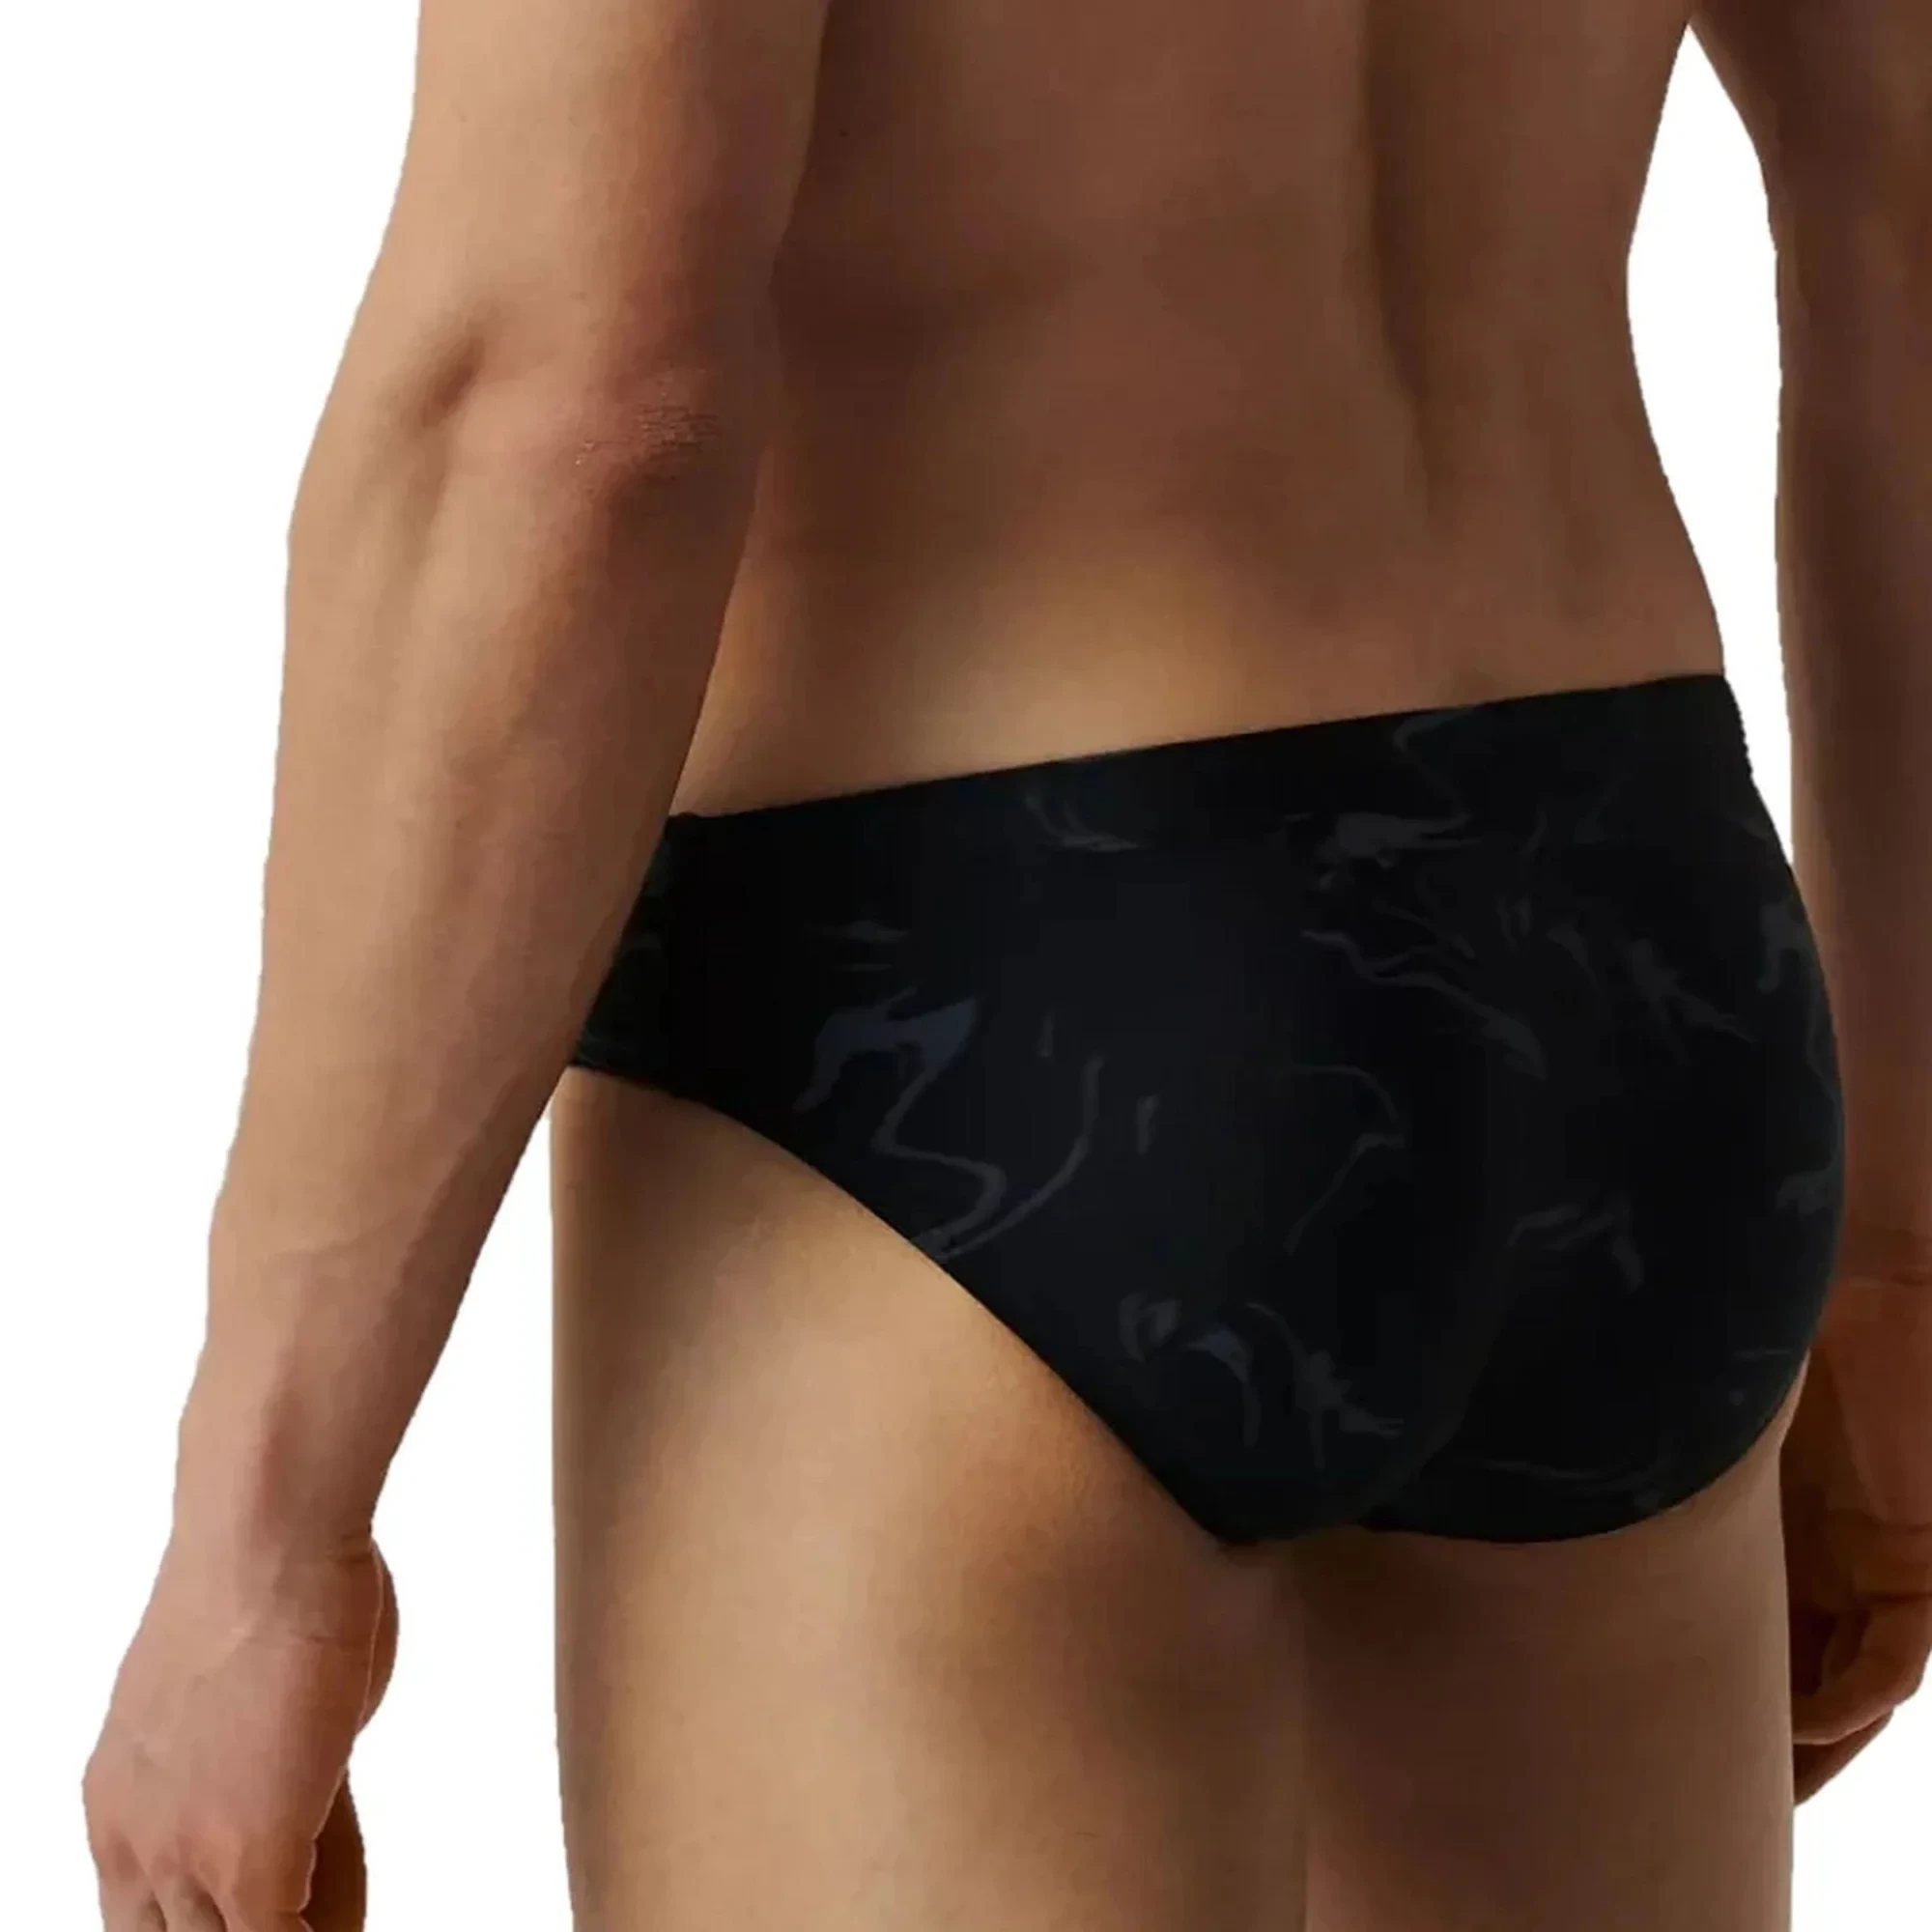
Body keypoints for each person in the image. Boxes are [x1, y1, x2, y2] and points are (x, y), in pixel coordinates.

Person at [80, 0, 1932, 1926]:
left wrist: (269, 1528)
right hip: (1635, 965)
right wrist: (1896, 1245)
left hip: (968, 985)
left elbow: (568, 405)